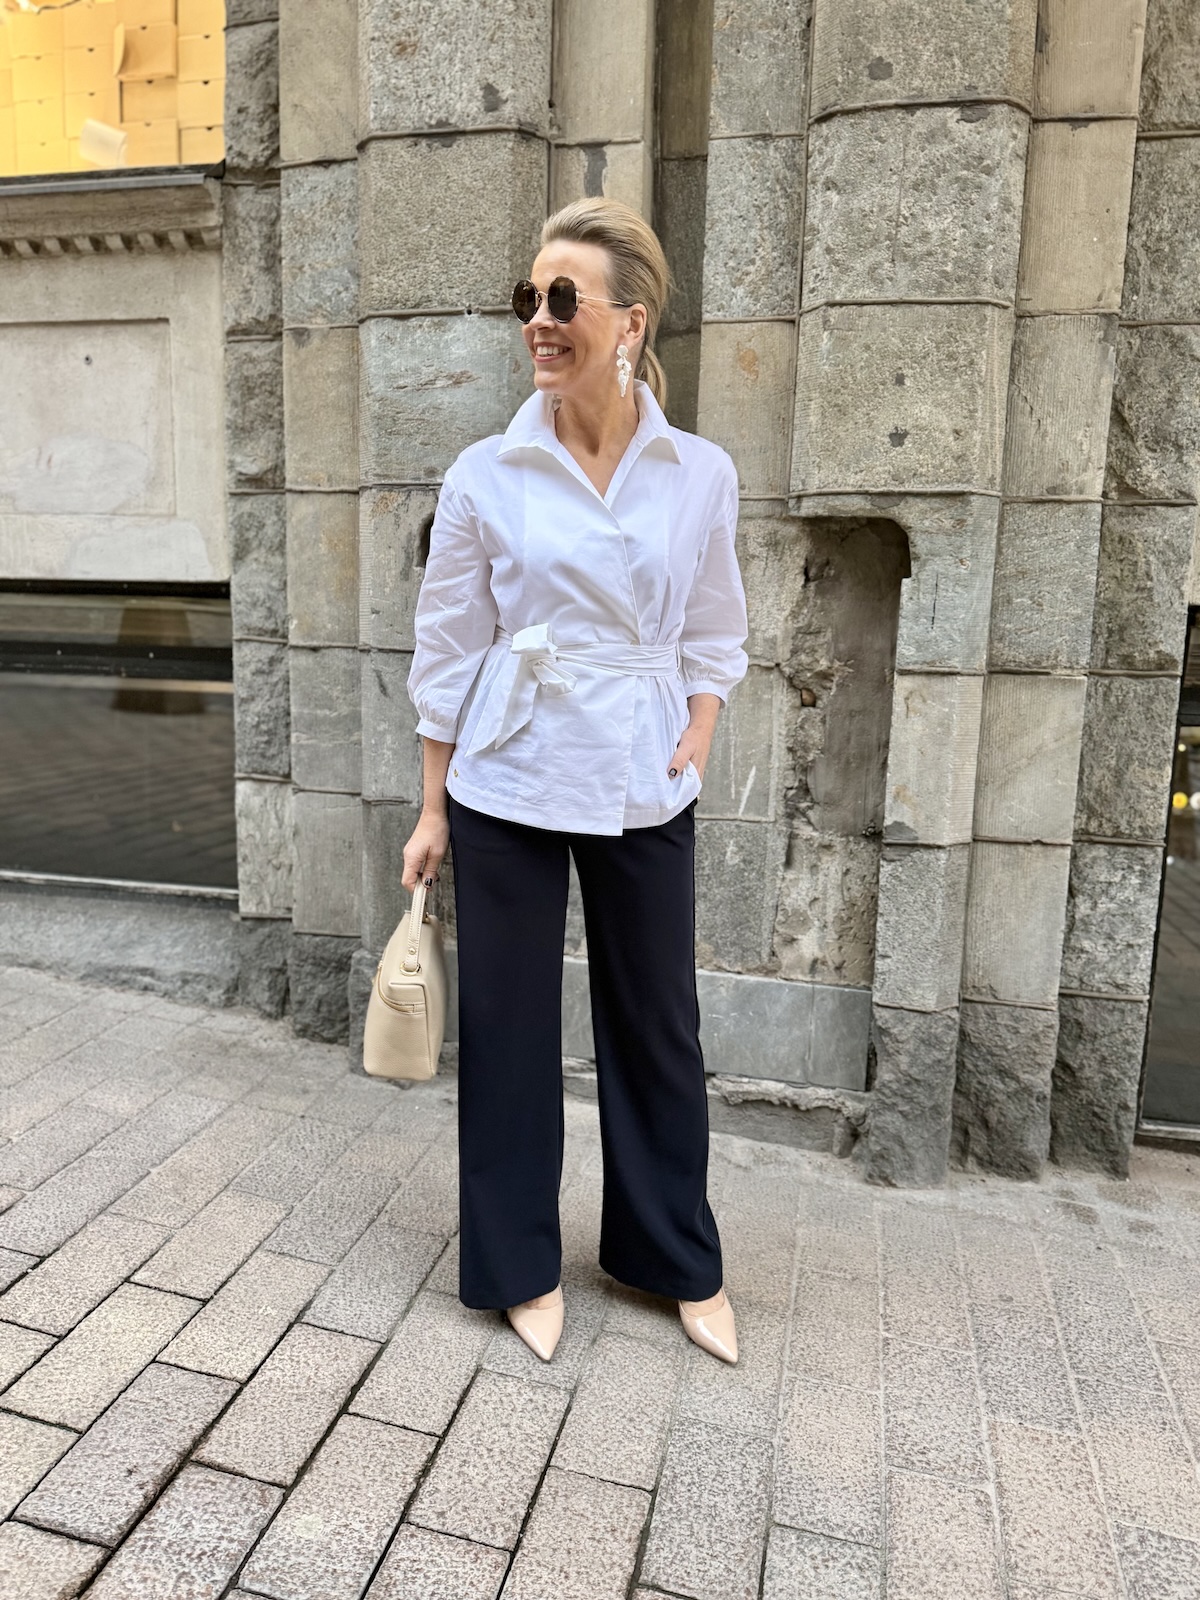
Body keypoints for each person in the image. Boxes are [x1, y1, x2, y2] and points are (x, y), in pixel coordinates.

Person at [401, 197, 749, 1366]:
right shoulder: (487, 471)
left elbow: (715, 621)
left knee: (656, 1023)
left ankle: (672, 1254)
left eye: (563, 299)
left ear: (630, 323)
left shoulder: (698, 472)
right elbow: (449, 647)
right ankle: (517, 1262)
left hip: (646, 771)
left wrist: (699, 727)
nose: (538, 321)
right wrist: (432, 806)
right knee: (507, 1026)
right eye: (528, 299)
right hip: (508, 768)